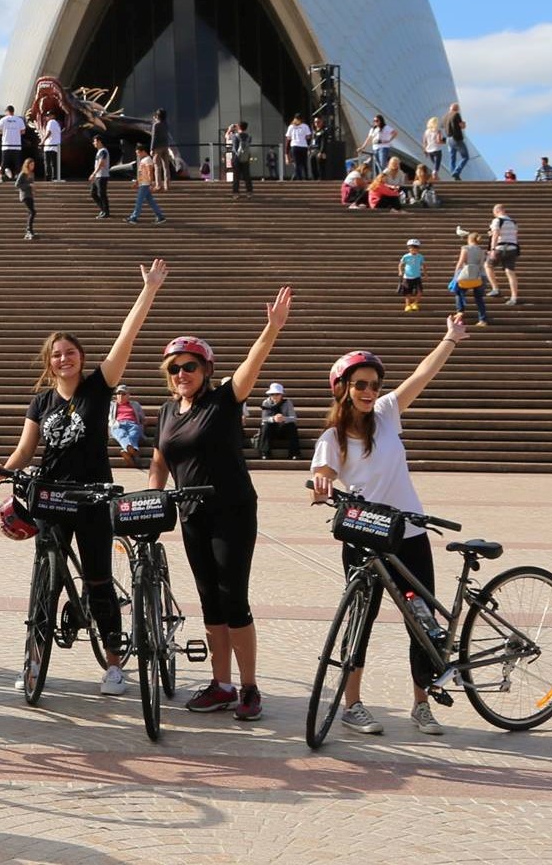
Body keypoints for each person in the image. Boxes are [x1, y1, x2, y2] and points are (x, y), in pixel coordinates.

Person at [0, 258, 168, 696]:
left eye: (70, 352)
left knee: (100, 581)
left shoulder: (98, 388)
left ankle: (113, 665)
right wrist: (5, 469)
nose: (64, 359)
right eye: (56, 354)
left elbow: (127, 337)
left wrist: (149, 290)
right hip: (50, 497)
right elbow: (27, 450)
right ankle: (33, 661)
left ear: (81, 357)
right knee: (44, 583)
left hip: (92, 497)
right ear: (49, 362)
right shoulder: (41, 401)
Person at [311, 315, 473, 737]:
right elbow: (323, 474)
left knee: (420, 622)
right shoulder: (332, 436)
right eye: (360, 384)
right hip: (365, 537)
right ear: (343, 388)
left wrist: (449, 340)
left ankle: (422, 706)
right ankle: (353, 705)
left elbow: (421, 375)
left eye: (373, 385)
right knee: (359, 621)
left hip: (411, 534)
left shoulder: (386, 414)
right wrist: (322, 483)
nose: (368, 392)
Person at [147, 287, 292, 724]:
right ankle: (221, 684)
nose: (181, 374)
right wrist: (154, 494)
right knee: (209, 601)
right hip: (191, 514)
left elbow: (254, 364)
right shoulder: (169, 411)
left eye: (189, 366)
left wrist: (271, 328)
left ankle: (249, 688)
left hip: (231, 512)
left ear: (206, 369)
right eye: (174, 368)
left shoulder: (224, 400)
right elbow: (159, 460)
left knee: (234, 600)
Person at [451, 231, 491, 327]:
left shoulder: (466, 248)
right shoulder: (481, 251)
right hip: (480, 276)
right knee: (479, 298)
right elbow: (482, 264)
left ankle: (460, 311)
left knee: (458, 292)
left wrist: (455, 275)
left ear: (469, 239)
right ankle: (482, 320)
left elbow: (461, 262)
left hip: (466, 275)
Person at [256, 383, 300, 459]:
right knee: (265, 426)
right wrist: (273, 419)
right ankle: (265, 453)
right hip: (271, 430)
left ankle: (294, 453)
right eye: (272, 394)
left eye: (277, 394)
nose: (275, 396)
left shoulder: (287, 403)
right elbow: (264, 418)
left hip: (283, 429)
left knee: (292, 426)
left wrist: (284, 418)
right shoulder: (266, 403)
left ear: (281, 395)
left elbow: (293, 418)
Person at [488, 204, 521, 305]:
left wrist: (492, 249)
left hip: (501, 247)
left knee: (488, 265)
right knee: (510, 272)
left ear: (497, 211)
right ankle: (514, 297)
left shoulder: (497, 220)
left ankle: (495, 288)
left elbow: (495, 235)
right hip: (513, 248)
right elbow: (515, 235)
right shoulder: (513, 222)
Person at [126, 146, 167, 225]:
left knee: (139, 201)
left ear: (143, 151)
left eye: (138, 153)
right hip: (143, 183)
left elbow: (149, 171)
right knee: (151, 201)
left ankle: (134, 217)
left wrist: (151, 182)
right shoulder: (143, 160)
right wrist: (137, 182)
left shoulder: (147, 159)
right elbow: (141, 173)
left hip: (145, 184)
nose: (138, 155)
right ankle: (160, 216)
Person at [108, 385, 145, 469]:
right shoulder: (111, 404)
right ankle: (134, 451)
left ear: (128, 395)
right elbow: (108, 417)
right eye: (118, 393)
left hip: (133, 424)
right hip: (118, 424)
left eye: (123, 394)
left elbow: (142, 418)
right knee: (121, 433)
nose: (120, 396)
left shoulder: (135, 404)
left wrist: (141, 425)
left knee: (134, 432)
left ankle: (127, 451)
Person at [0, 106, 27, 180]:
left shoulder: (3, 120)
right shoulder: (19, 120)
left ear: (7, 111)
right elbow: (23, 131)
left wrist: (4, 132)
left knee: (4, 163)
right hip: (16, 145)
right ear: (13, 111)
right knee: (17, 163)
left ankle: (2, 177)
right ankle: (18, 177)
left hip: (6, 145)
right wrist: (16, 132)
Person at [441, 103, 468, 180]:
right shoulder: (456, 114)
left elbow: (442, 126)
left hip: (448, 139)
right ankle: (456, 172)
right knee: (465, 157)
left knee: (452, 158)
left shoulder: (444, 117)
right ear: (456, 108)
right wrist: (464, 124)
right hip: (456, 138)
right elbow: (462, 126)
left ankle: (453, 175)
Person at [227, 121, 255, 197]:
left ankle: (236, 193)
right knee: (247, 176)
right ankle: (249, 192)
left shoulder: (235, 136)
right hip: (245, 157)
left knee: (236, 176)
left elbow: (227, 136)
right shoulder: (249, 136)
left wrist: (229, 129)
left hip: (236, 158)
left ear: (239, 127)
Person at [399, 239, 426, 313]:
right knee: (408, 292)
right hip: (407, 277)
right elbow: (400, 265)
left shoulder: (420, 256)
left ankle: (415, 303)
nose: (413, 249)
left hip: (417, 276)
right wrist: (400, 271)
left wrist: (425, 273)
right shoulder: (406, 256)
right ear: (409, 248)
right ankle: (407, 305)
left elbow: (423, 265)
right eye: (411, 248)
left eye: (416, 248)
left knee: (420, 291)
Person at [88, 137, 112, 218]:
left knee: (102, 194)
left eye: (94, 141)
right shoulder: (99, 151)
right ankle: (103, 209)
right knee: (93, 193)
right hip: (97, 176)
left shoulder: (103, 151)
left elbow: (101, 163)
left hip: (102, 175)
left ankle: (106, 212)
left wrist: (94, 173)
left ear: (99, 141)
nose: (93, 143)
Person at [284, 114, 313, 181]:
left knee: (298, 163)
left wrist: (287, 152)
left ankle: (300, 178)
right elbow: (308, 137)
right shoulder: (304, 126)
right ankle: (304, 177)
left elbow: (288, 139)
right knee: (302, 163)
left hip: (296, 146)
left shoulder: (291, 127)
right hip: (302, 146)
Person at [15, 158, 37, 239]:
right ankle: (29, 230)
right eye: (31, 165)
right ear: (27, 165)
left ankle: (29, 231)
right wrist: (28, 185)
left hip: (30, 195)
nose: (33, 166)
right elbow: (17, 184)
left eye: (33, 165)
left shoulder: (32, 174)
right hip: (24, 195)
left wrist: (33, 189)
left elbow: (32, 183)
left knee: (31, 212)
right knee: (33, 212)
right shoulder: (23, 173)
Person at [41, 112, 64, 181]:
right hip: (55, 146)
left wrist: (42, 141)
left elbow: (49, 132)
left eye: (48, 116)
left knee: (47, 163)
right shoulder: (57, 124)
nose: (47, 117)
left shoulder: (51, 122)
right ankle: (55, 177)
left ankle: (48, 177)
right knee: (54, 163)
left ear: (53, 116)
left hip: (49, 146)